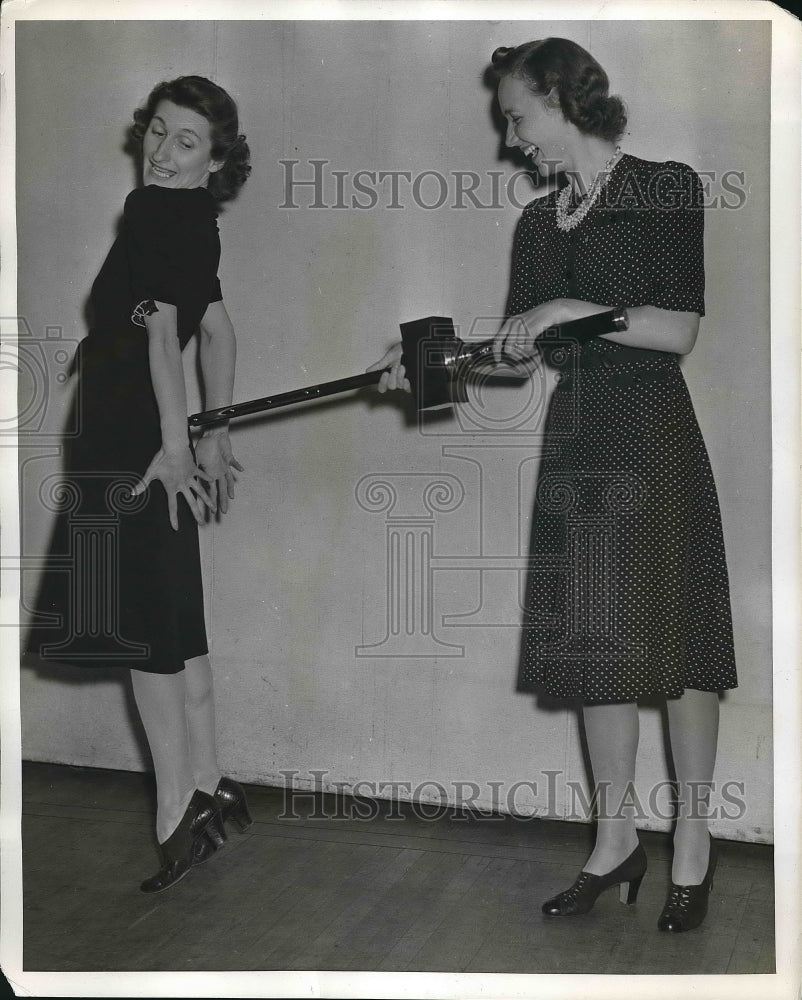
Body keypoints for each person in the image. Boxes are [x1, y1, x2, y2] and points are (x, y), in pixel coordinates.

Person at [370, 37, 737, 932]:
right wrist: (432, 363)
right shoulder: (541, 222)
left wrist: (575, 311)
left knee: (680, 642)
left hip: (652, 430)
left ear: (564, 99)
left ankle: (694, 836)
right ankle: (615, 841)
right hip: (579, 439)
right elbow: (515, 355)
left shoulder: (663, 186)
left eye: (518, 115)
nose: (512, 137)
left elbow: (676, 328)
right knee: (598, 645)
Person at [27, 76, 254, 892]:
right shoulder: (196, 221)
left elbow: (167, 338)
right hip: (152, 434)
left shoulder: (155, 214)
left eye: (185, 140)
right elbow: (217, 329)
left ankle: (174, 814)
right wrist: (209, 433)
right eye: (157, 131)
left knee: (143, 631)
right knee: (174, 622)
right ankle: (209, 782)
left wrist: (174, 445)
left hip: (130, 435)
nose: (161, 152)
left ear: (217, 158)